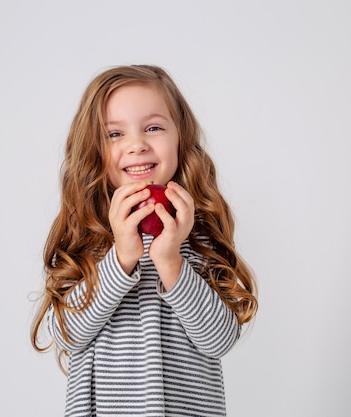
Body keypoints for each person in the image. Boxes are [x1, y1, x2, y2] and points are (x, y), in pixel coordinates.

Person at [31, 64, 258, 416]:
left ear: (180, 138)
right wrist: (120, 259)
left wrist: (172, 263)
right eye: (114, 134)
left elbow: (220, 340)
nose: (136, 145)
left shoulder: (197, 235)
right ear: (93, 149)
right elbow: (66, 336)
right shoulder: (88, 236)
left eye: (153, 128)